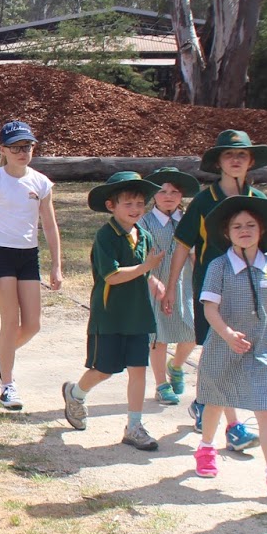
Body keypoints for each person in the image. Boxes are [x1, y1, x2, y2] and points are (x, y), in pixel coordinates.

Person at [192, 196, 267, 499]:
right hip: (224, 345)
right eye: (237, 226)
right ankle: (206, 447)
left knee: (265, 404)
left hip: (261, 345)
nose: (244, 230)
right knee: (216, 399)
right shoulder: (218, 267)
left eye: (250, 225)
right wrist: (227, 333)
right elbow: (210, 309)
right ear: (226, 233)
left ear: (262, 230)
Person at [164, 130, 267, 451]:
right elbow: (183, 245)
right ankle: (234, 427)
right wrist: (171, 287)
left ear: (251, 161)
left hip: (249, 292)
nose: (236, 160)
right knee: (219, 351)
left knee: (233, 353)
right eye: (229, 155)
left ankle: (203, 403)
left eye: (242, 155)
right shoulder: (203, 201)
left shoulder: (260, 202)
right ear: (219, 162)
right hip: (212, 289)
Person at [61, 173, 164, 451]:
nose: (135, 209)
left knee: (138, 370)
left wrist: (154, 281)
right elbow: (113, 276)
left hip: (138, 315)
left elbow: (142, 269)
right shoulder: (105, 235)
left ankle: (134, 426)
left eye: (140, 203)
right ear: (111, 206)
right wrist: (146, 269)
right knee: (104, 369)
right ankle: (76, 393)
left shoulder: (143, 234)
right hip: (109, 315)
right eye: (128, 203)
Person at [0, 121, 62, 410]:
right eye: (16, 148)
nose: (22, 152)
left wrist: (56, 265)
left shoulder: (40, 182)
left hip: (29, 255)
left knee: (33, 324)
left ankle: (2, 354)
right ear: (3, 150)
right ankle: (8, 385)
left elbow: (49, 225)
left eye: (27, 147)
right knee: (10, 321)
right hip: (1, 255)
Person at [142, 167, 201, 405]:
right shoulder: (144, 222)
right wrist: (150, 279)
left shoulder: (189, 221)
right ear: (153, 195)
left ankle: (176, 365)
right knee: (159, 336)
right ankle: (160, 384)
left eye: (175, 192)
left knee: (193, 332)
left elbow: (196, 255)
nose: (169, 196)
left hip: (184, 285)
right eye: (163, 191)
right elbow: (138, 255)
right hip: (155, 285)